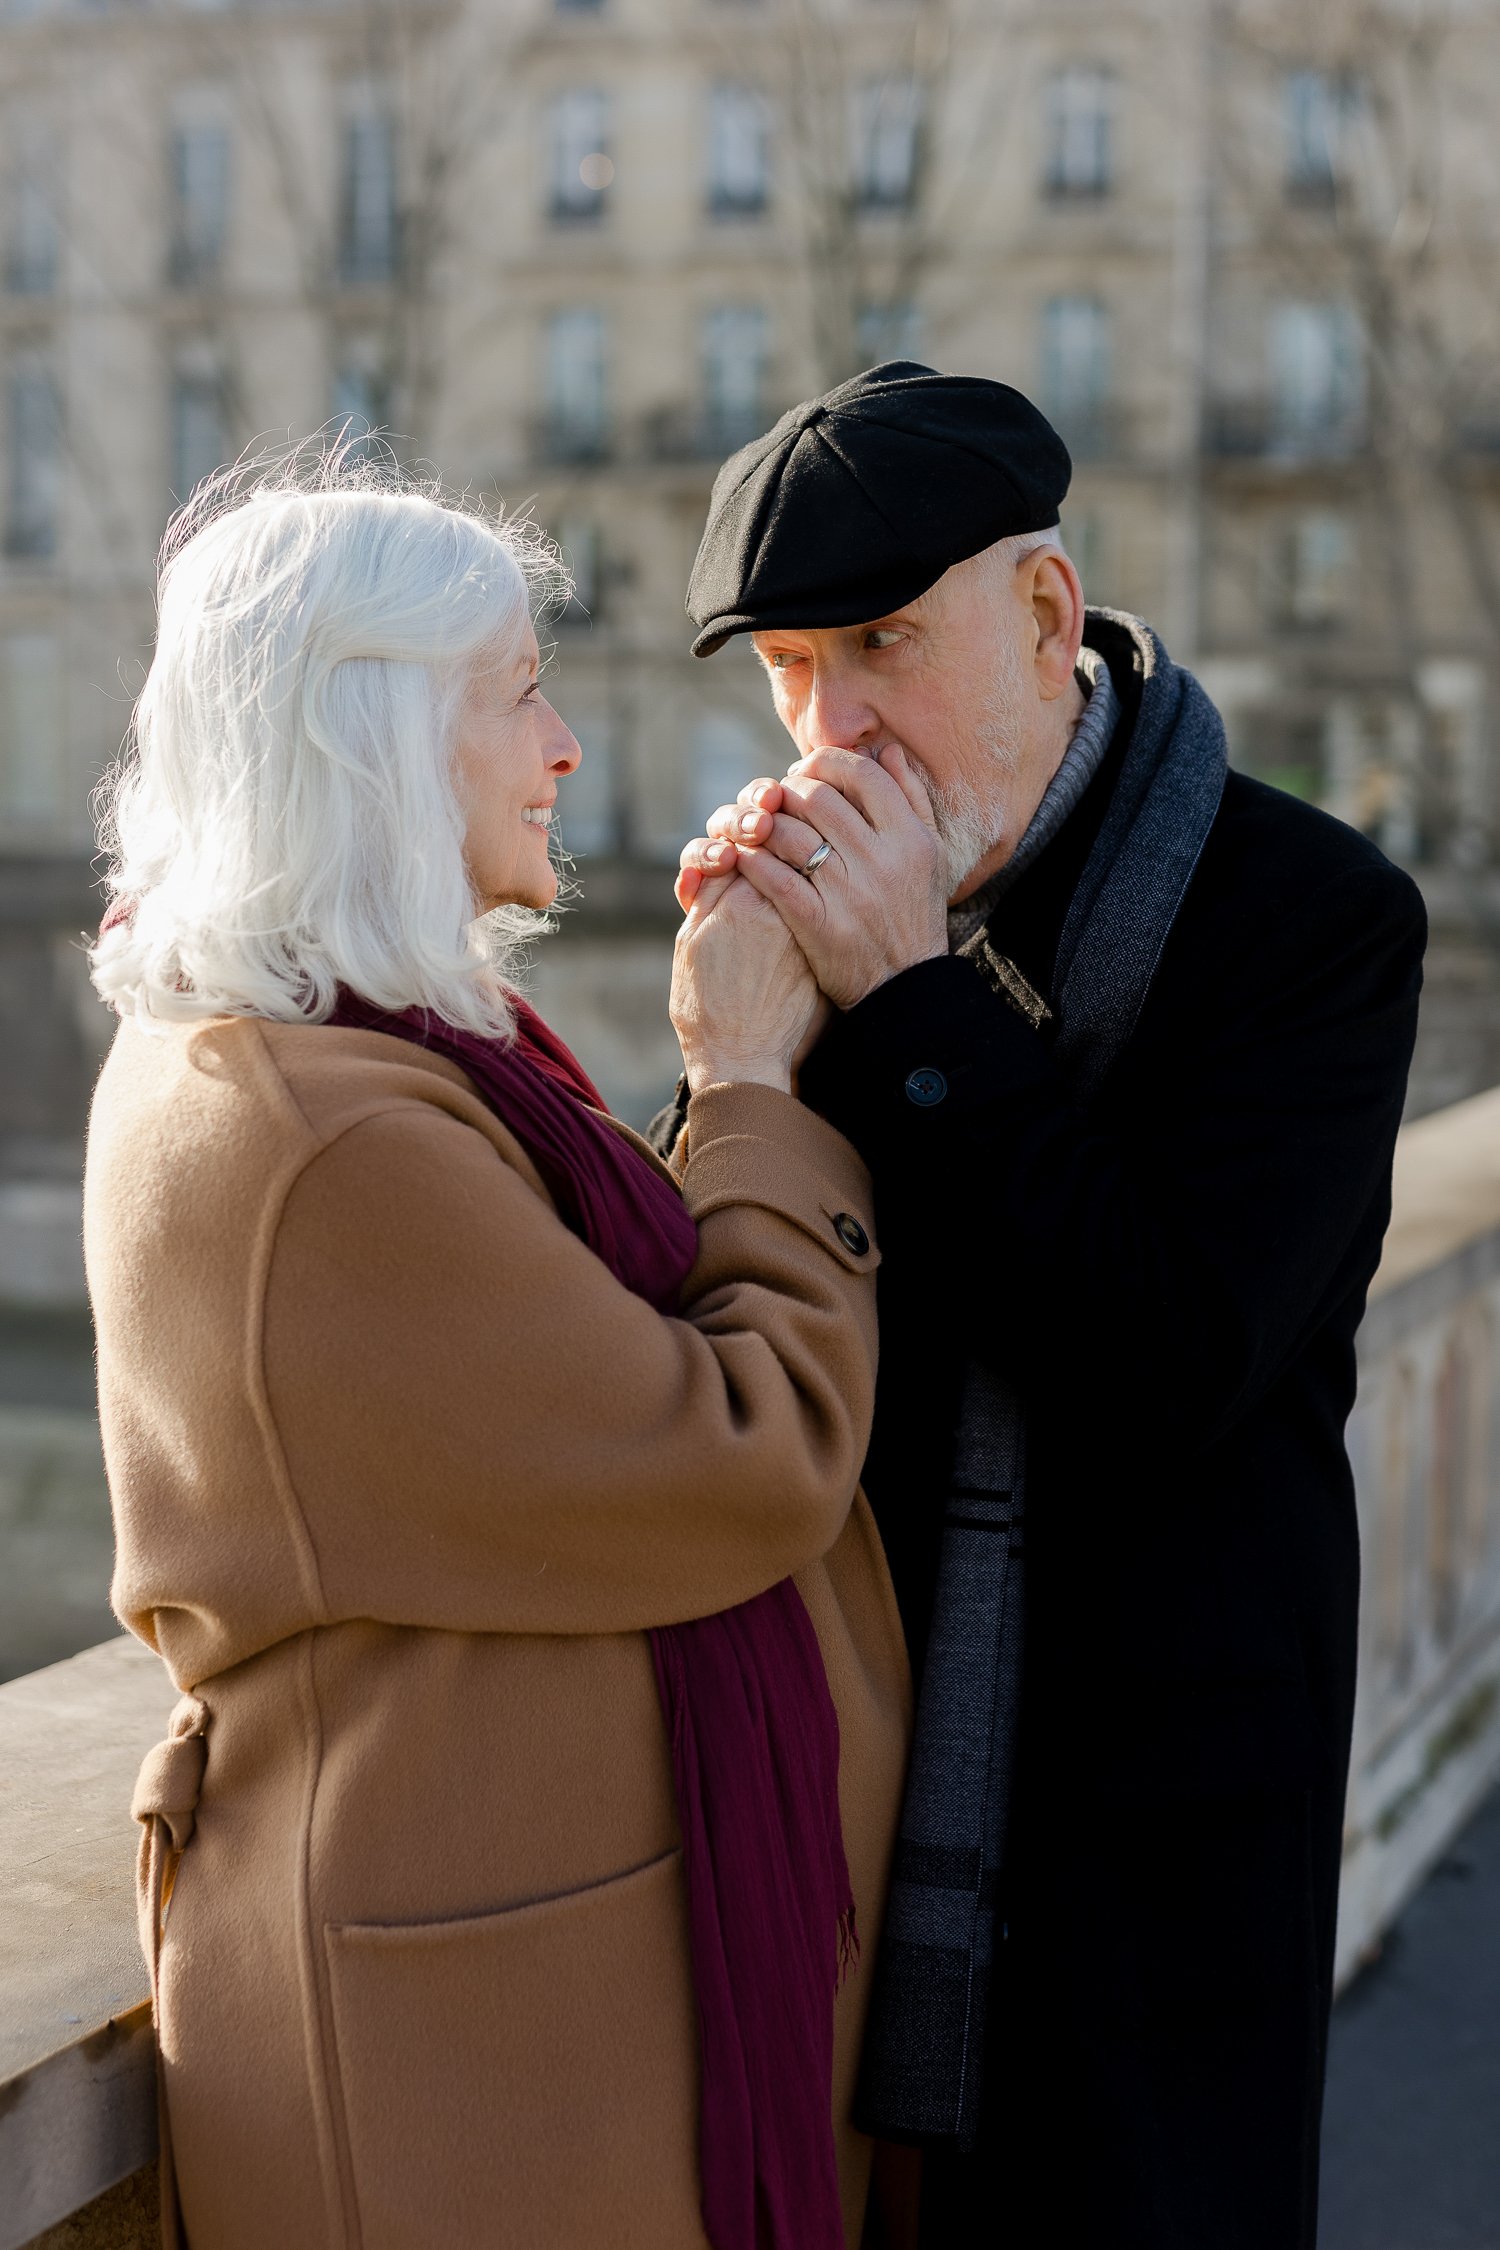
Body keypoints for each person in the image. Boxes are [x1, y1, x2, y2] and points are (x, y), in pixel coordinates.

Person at [83, 455, 912, 2250]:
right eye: (522, 690)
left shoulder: (347, 1053)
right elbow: (735, 1448)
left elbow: (587, 1382)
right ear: (377, 739)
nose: (566, 747)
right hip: (477, 2057)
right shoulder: (329, 1134)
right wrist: (758, 1088)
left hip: (509, 2005)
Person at [667, 362, 1427, 2249]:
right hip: (842, 1842)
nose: (833, 727)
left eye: (881, 644)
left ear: (1044, 615)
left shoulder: (1312, 920)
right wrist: (732, 1071)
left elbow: (1168, 1354)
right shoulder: (821, 930)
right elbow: (697, 1367)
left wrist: (914, 1002)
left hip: (1154, 1874)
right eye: (786, 669)